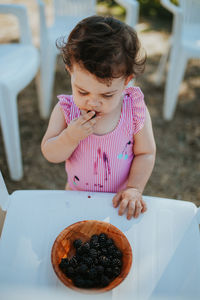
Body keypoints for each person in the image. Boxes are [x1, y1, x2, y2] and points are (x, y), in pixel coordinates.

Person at [41, 15, 156, 220]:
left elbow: (145, 153)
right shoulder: (66, 111)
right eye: (83, 92)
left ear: (127, 81)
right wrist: (70, 137)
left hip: (119, 200)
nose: (93, 103)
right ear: (70, 72)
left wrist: (134, 188)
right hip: (76, 196)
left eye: (107, 95)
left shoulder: (134, 110)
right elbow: (50, 153)